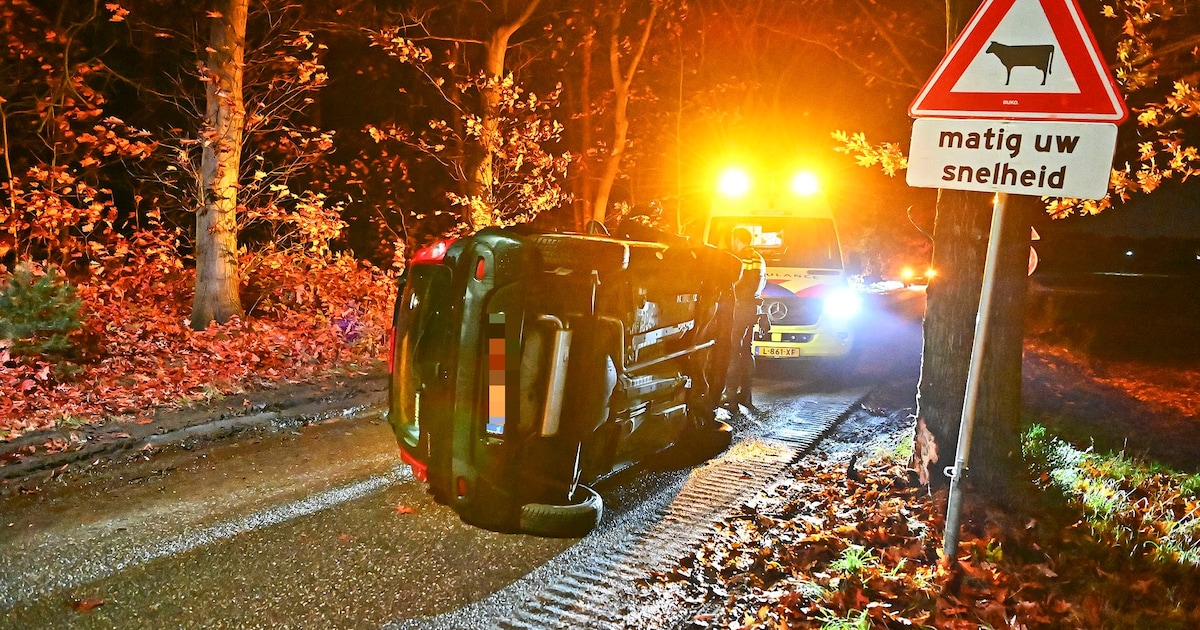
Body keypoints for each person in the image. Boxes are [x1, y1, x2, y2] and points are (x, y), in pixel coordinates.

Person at [725, 226, 766, 410]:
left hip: (740, 308)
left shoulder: (742, 258)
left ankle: (730, 396)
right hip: (753, 309)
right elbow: (761, 282)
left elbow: (736, 283)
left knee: (733, 350)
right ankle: (746, 396)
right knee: (747, 351)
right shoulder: (759, 258)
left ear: (737, 239)